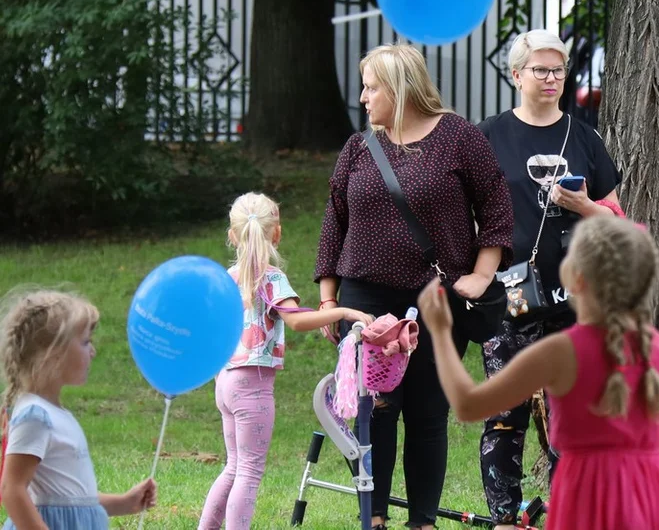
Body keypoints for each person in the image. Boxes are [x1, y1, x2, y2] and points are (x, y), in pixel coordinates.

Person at [314, 43, 514, 530]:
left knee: (427, 416)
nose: (363, 97)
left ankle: (422, 522)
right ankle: (374, 517)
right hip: (365, 304)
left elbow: (496, 208)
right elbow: (334, 222)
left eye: (371, 86)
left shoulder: (458, 137)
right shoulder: (359, 147)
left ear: (399, 88)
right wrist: (328, 299)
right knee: (371, 415)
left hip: (435, 301)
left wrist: (482, 274)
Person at [418, 215, 659, 530]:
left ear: (574, 278)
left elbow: (469, 405)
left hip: (587, 498)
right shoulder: (656, 348)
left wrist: (441, 333)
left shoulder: (562, 351)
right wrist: (628, 445)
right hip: (655, 497)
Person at [476, 29, 622, 528]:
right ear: (516, 75)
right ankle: (504, 517)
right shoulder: (488, 135)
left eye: (558, 70)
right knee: (505, 412)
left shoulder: (583, 137)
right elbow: (461, 213)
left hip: (574, 298)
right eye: (540, 69)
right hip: (508, 294)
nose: (551, 78)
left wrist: (584, 206)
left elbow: (616, 216)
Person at [198, 192, 372, 530]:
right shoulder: (270, 277)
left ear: (233, 235)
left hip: (226, 381)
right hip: (252, 386)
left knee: (234, 465)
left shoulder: (227, 276)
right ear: (276, 233)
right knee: (249, 470)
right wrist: (345, 311)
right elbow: (296, 320)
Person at [0, 289, 157, 530]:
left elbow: (73, 501)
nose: (92, 351)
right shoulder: (35, 415)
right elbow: (12, 489)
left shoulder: (55, 414)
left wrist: (124, 503)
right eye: (85, 342)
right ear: (52, 354)